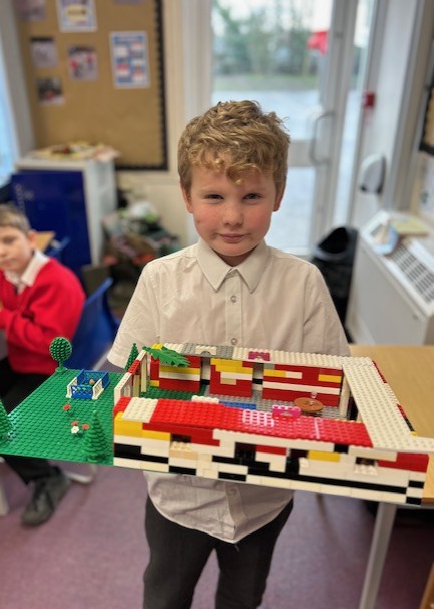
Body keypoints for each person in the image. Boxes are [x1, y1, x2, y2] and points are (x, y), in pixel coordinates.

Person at [107, 100, 350, 609]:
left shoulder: (304, 283)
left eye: (252, 196)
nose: (234, 217)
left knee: (243, 597)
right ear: (186, 196)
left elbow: (331, 387)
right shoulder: (159, 280)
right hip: (179, 497)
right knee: (165, 595)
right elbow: (126, 382)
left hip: (264, 498)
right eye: (214, 196)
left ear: (279, 193)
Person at [0, 204, 85, 526]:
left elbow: (52, 344)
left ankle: (47, 478)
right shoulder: (8, 273)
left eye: (9, 241)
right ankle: (17, 451)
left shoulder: (55, 282)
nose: (1, 252)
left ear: (30, 239)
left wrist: (3, 318)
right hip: (23, 360)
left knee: (2, 423)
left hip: (53, 368)